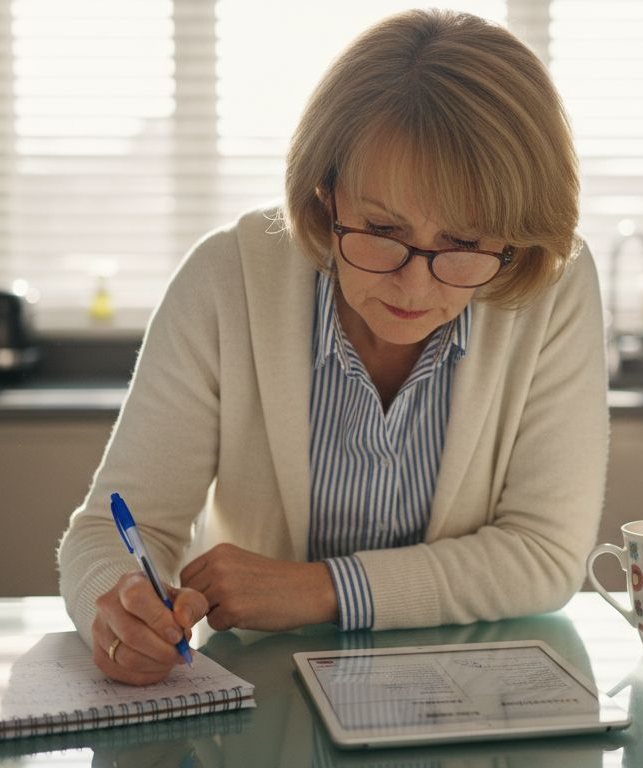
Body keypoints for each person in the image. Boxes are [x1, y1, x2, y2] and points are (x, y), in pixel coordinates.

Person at [57, 8, 608, 686]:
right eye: (381, 228)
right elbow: (110, 531)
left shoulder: (552, 285)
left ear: (514, 237)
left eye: (464, 244)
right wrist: (116, 611)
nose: (414, 282)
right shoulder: (227, 278)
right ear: (325, 196)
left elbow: (544, 553)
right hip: (263, 698)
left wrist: (321, 589)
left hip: (471, 697)